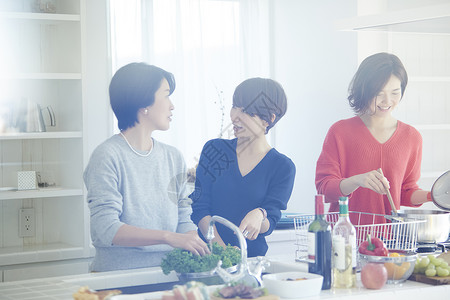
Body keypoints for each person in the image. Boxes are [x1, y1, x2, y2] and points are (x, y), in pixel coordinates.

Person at [84, 63, 210, 272]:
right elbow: (105, 229)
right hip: (118, 278)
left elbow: (183, 216)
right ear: (144, 103)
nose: (172, 105)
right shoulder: (107, 156)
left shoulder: (173, 156)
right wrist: (168, 237)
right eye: (166, 95)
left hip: (169, 275)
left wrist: (192, 240)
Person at [315, 53, 431, 224]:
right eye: (379, 93)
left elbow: (405, 192)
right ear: (364, 90)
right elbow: (325, 188)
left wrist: (434, 196)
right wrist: (357, 180)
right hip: (346, 238)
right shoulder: (339, 132)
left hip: (392, 243)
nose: (387, 101)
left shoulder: (412, 137)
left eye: (395, 92)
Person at [190, 78, 296, 257]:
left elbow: (270, 221)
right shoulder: (215, 150)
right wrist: (223, 251)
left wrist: (260, 215)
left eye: (246, 111)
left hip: (251, 262)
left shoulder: (282, 167)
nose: (234, 116)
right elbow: (200, 208)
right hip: (206, 258)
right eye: (235, 106)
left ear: (268, 119)